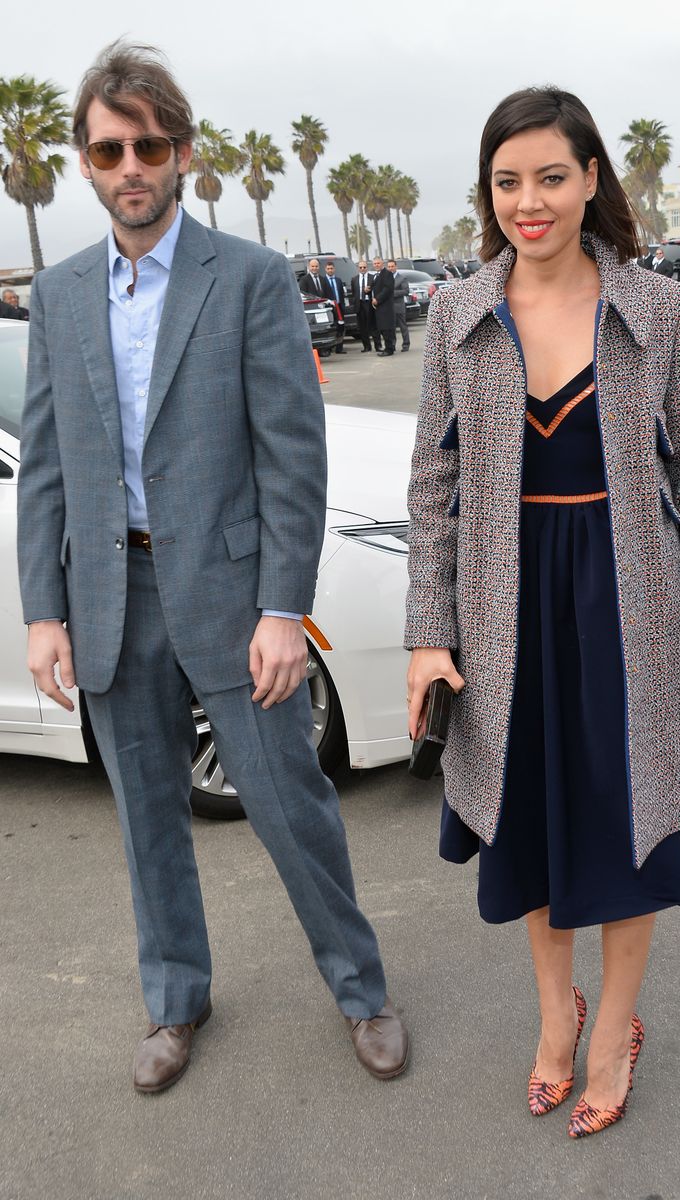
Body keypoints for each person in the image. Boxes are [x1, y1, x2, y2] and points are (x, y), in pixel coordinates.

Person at [17, 39, 408, 1096]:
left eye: (149, 144)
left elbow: (294, 454)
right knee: (148, 814)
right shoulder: (55, 298)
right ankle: (174, 1001)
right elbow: (46, 466)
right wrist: (43, 611)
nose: (130, 164)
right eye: (109, 148)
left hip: (235, 598)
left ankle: (361, 986)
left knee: (289, 804)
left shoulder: (249, 278)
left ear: (181, 153)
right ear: (85, 163)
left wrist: (286, 607)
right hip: (110, 597)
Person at [405, 86, 680, 1139]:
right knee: (527, 816)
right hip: (502, 604)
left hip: (627, 600)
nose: (530, 200)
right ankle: (553, 1019)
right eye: (508, 181)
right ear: (490, 192)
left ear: (591, 178)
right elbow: (435, 490)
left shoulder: (655, 309)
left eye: (551, 176)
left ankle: (613, 1030)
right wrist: (432, 632)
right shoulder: (455, 313)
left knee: (628, 816)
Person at [371, 256, 395, 356]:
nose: (377, 265)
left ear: (382, 264)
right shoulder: (375, 275)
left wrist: (377, 299)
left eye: (378, 263)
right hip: (378, 307)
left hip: (385, 306)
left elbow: (387, 289)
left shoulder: (387, 274)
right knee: (382, 328)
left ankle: (389, 349)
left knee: (387, 328)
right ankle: (388, 348)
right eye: (375, 263)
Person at [321, 259, 347, 353]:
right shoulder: (323, 281)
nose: (330, 270)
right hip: (329, 308)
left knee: (341, 327)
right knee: (331, 327)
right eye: (328, 269)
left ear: (334, 269)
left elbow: (342, 294)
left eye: (331, 268)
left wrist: (343, 306)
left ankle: (339, 348)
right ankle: (329, 348)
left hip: (339, 307)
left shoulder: (338, 280)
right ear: (325, 269)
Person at [350, 260, 376, 352]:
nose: (362, 269)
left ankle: (378, 346)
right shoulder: (354, 279)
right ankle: (366, 346)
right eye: (360, 267)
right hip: (359, 304)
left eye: (364, 267)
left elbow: (376, 290)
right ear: (358, 268)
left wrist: (370, 290)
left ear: (367, 268)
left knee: (373, 326)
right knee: (362, 327)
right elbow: (354, 293)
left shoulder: (372, 277)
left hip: (369, 304)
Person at [388, 259, 410, 351]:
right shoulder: (386, 278)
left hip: (399, 306)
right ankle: (392, 345)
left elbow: (406, 291)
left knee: (402, 326)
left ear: (396, 267)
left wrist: (392, 293)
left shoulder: (402, 278)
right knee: (391, 328)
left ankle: (406, 344)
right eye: (389, 267)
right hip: (388, 307)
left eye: (392, 266)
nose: (390, 268)